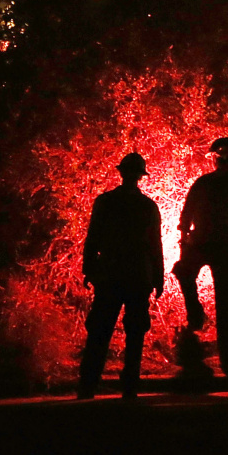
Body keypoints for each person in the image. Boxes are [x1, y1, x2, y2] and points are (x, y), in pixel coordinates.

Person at [78, 151, 164, 400]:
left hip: (110, 274)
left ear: (122, 173)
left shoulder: (105, 202)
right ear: (140, 176)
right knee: (135, 332)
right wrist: (157, 277)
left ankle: (88, 383)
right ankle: (129, 385)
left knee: (100, 329)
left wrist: (90, 268)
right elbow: (154, 245)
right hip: (138, 275)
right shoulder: (147, 206)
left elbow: (93, 237)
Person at [173, 137, 228, 375]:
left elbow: (185, 217)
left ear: (215, 159)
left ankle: (196, 323)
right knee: (225, 302)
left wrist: (187, 239)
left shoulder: (204, 183)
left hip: (205, 244)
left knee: (185, 273)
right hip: (226, 247)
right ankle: (227, 359)